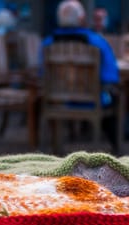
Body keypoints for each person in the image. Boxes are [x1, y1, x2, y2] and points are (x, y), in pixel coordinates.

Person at [41, 0, 120, 152]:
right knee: (114, 96)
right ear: (82, 19)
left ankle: (53, 146)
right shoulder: (97, 41)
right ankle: (115, 146)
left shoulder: (47, 44)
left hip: (58, 100)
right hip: (92, 100)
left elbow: (42, 74)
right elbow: (111, 77)